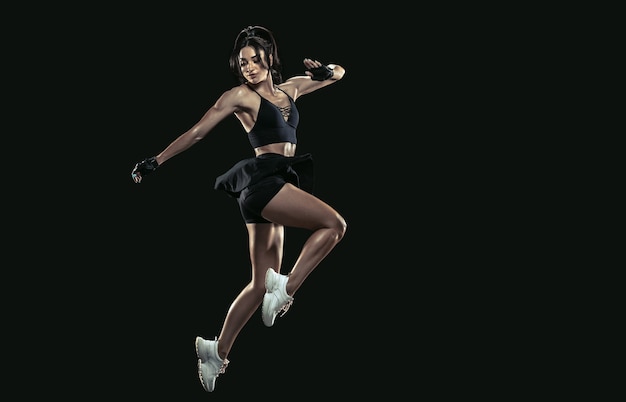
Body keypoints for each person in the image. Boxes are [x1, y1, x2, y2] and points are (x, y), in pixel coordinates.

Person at [130, 25, 346, 392]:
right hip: (264, 184)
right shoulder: (239, 97)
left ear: (269, 58)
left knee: (260, 282)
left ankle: (217, 350)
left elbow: (339, 73)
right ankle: (288, 289)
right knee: (334, 225)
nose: (248, 67)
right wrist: (157, 159)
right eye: (242, 62)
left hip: (271, 187)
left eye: (254, 60)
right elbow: (198, 131)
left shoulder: (290, 89)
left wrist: (327, 71)